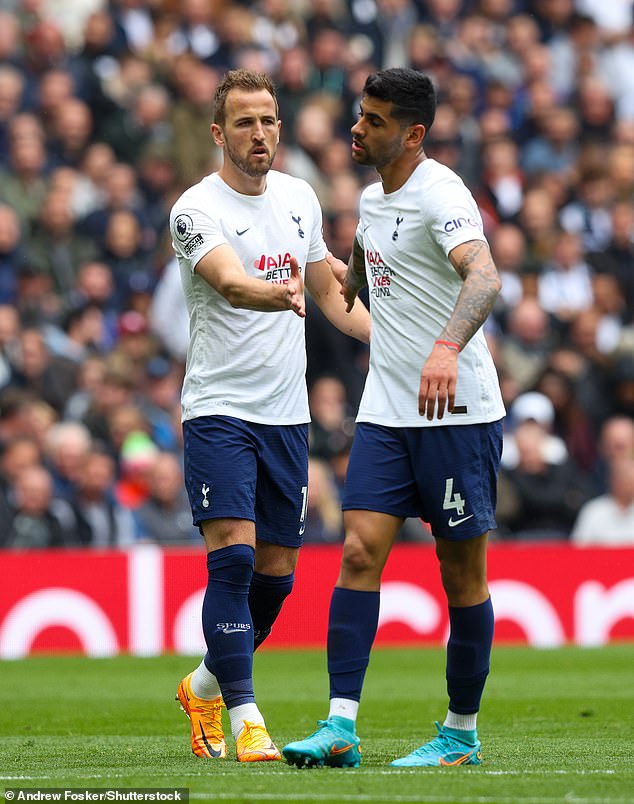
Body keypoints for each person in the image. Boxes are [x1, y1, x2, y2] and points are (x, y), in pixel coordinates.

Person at [282, 67, 505, 770]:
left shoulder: (442, 194)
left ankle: (460, 735)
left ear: (412, 133)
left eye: (374, 120)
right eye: (359, 114)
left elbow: (486, 276)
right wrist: (295, 286)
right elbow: (354, 296)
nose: (357, 127)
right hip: (386, 411)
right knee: (355, 554)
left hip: (456, 411)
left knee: (460, 576)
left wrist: (445, 348)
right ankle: (341, 725)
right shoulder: (375, 203)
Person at [169, 69, 370, 764]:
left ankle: (203, 685)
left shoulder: (298, 197)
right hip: (219, 411)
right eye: (246, 123)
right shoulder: (196, 209)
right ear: (220, 133)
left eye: (270, 121)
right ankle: (247, 717)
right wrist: (273, 292)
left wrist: (398, 339)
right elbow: (227, 280)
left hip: (287, 418)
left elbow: (330, 291)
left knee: (277, 579)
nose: (261, 134)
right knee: (233, 563)